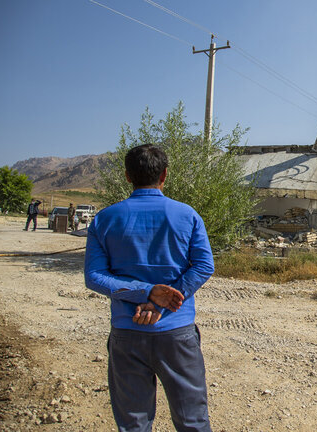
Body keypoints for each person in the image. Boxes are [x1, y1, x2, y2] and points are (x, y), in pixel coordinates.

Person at [84, 144, 214, 432]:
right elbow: (204, 266)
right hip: (177, 333)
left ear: (128, 176)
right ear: (165, 174)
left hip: (128, 332)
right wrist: (163, 300)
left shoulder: (104, 219)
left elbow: (94, 276)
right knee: (193, 420)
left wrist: (145, 294)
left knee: (133, 423)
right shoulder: (187, 215)